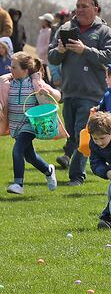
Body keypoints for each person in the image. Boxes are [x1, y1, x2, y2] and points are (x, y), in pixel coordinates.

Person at [49, 0, 111, 186]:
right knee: (72, 133)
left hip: (92, 94)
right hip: (69, 92)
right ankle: (100, 161)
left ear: (95, 9)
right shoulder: (65, 28)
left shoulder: (105, 32)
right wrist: (60, 51)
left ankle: (77, 176)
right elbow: (52, 57)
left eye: (84, 6)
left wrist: (85, 50)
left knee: (82, 131)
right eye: (78, 6)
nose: (79, 9)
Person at [0, 53, 60, 195]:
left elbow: (57, 95)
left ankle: (18, 184)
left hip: (29, 125)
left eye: (14, 67)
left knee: (17, 150)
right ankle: (48, 170)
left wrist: (48, 92)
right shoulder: (8, 84)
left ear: (25, 70)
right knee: (30, 156)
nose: (11, 69)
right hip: (15, 126)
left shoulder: (35, 84)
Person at [36, 13, 53, 83]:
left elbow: (48, 44)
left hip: (44, 57)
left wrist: (42, 51)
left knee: (44, 73)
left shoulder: (49, 31)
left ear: (46, 21)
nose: (41, 22)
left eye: (43, 20)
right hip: (40, 55)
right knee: (42, 72)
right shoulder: (42, 30)